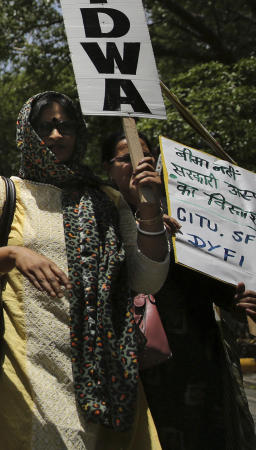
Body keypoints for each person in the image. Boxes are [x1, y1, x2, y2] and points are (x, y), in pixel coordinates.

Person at [0, 92, 170, 448]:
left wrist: (150, 210)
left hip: (110, 371)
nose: (56, 135)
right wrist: (11, 255)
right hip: (28, 369)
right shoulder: (3, 191)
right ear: (25, 133)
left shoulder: (107, 199)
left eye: (65, 125)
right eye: (45, 126)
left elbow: (147, 279)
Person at [101, 131, 256, 449]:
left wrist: (238, 299)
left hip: (200, 360)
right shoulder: (100, 219)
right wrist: (149, 229)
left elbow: (218, 281)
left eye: (144, 156)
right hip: (139, 369)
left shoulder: (188, 214)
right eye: (125, 158)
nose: (136, 164)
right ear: (108, 169)